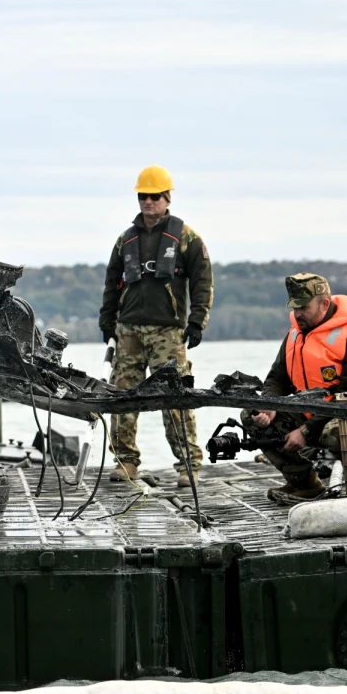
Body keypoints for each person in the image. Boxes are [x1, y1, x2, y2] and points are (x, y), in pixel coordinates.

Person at [99, 166, 212, 488]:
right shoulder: (126, 239)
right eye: (143, 196)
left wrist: (197, 321)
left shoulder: (186, 237)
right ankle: (125, 461)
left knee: (174, 399)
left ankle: (188, 465)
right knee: (122, 397)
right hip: (128, 330)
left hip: (168, 332)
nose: (148, 202)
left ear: (167, 198)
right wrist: (107, 318)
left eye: (155, 196)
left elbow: (203, 281)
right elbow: (112, 281)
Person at [246, 273, 347, 505]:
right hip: (309, 414)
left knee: (337, 432)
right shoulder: (294, 334)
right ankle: (305, 484)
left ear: (324, 304)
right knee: (250, 415)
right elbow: (276, 379)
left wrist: (305, 431)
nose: (298, 314)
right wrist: (268, 406)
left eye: (304, 307)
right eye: (294, 307)